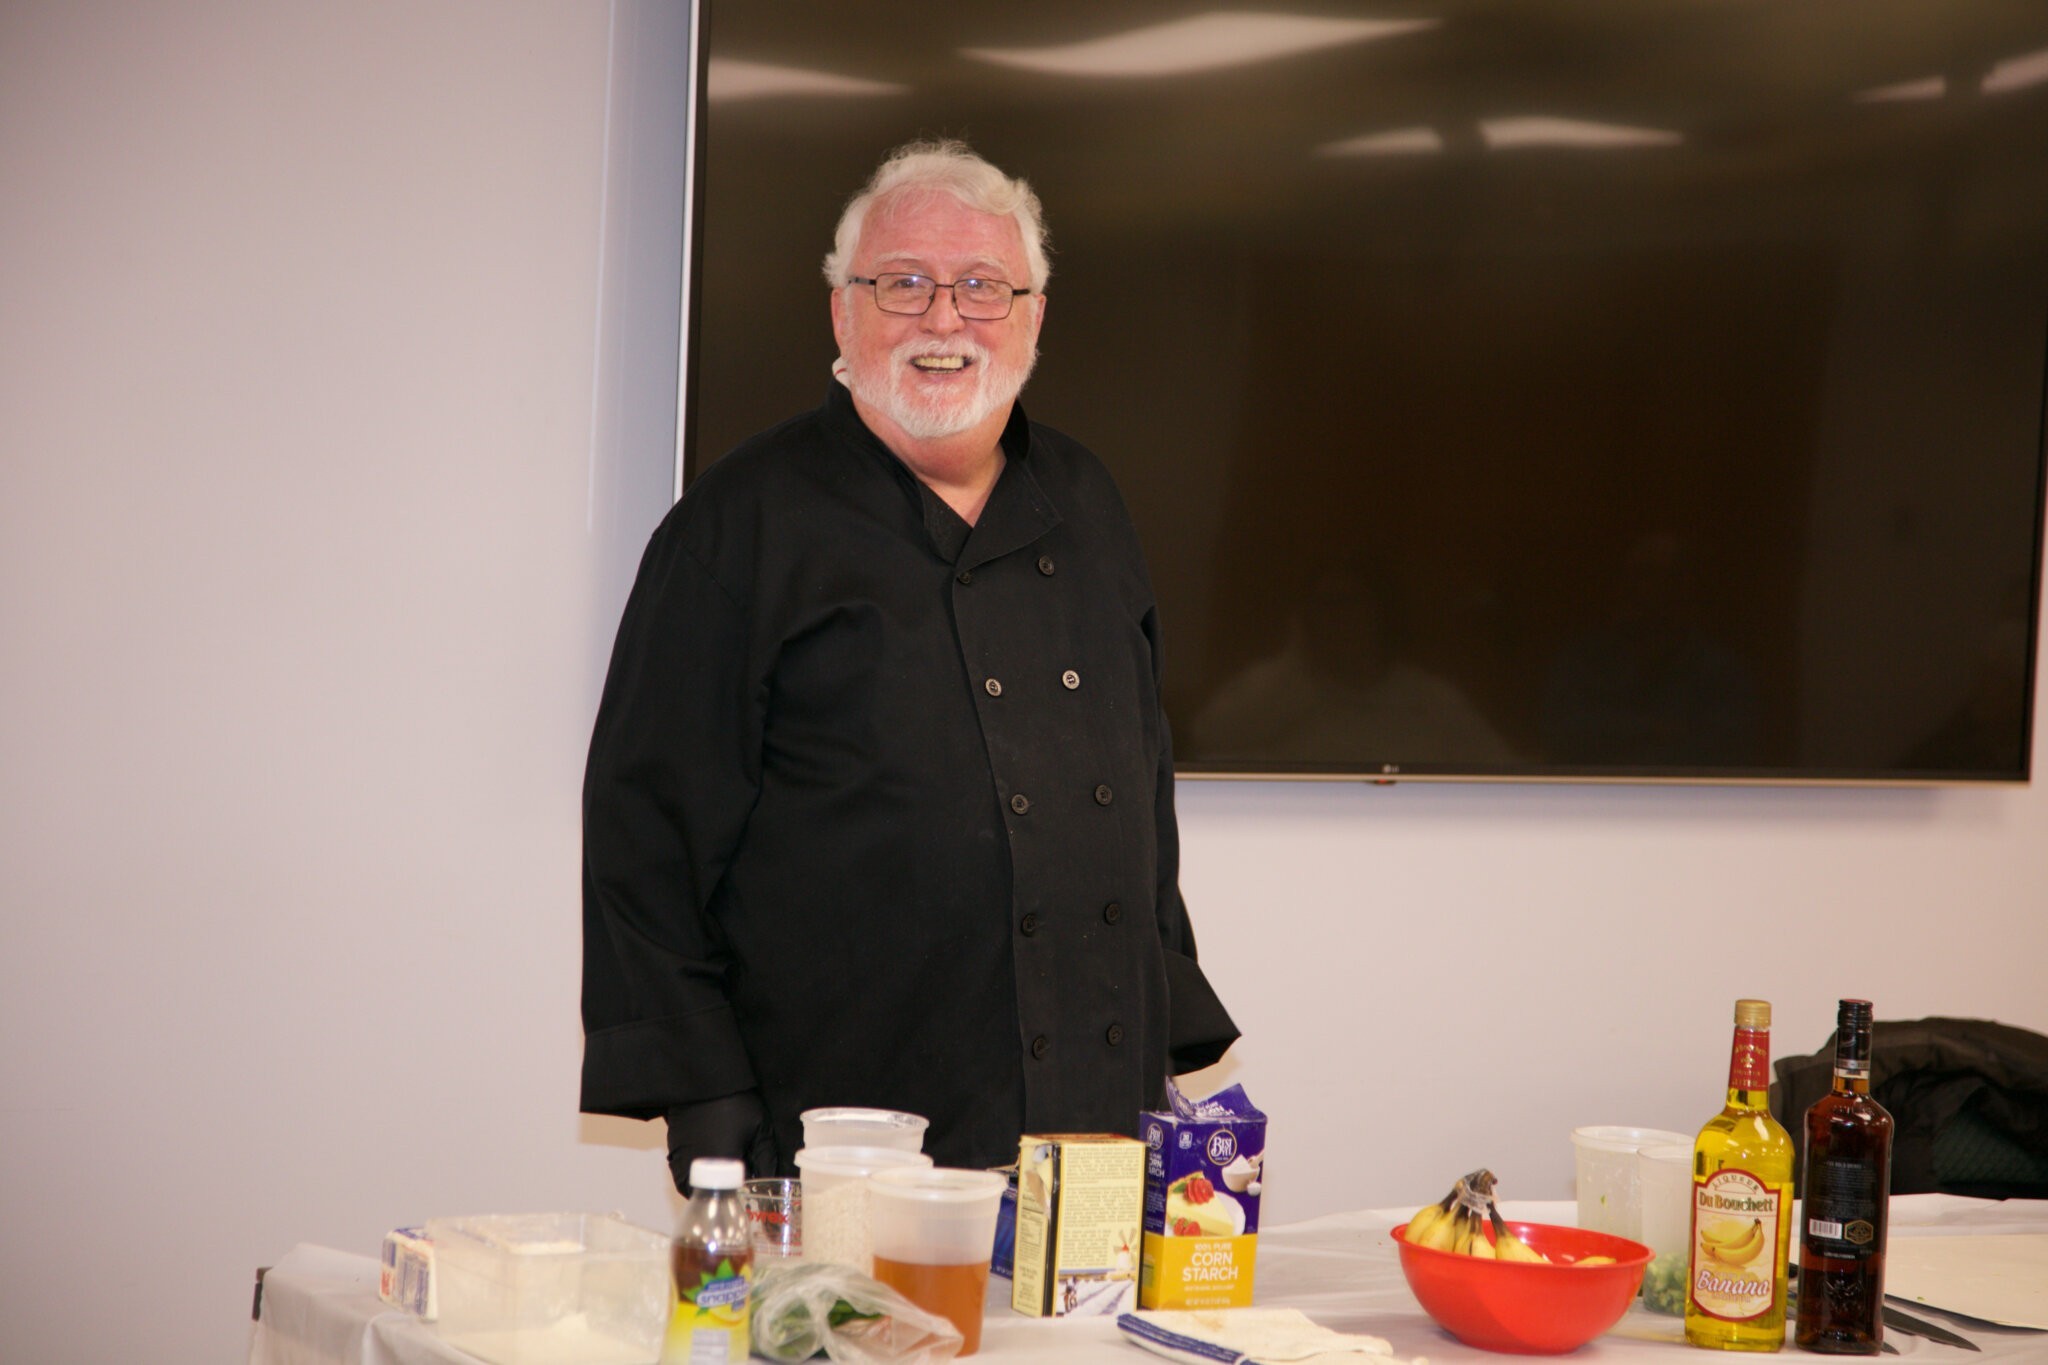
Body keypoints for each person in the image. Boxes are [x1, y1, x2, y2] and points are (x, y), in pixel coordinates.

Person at [579, 140, 1238, 1190]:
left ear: (1032, 316)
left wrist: (1158, 1027)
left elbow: (1140, 796)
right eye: (903, 284)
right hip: (838, 1124)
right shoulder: (738, 523)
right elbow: (643, 831)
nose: (944, 318)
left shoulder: (1088, 501)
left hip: (1090, 1115)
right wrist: (703, 1100)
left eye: (981, 287)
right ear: (842, 315)